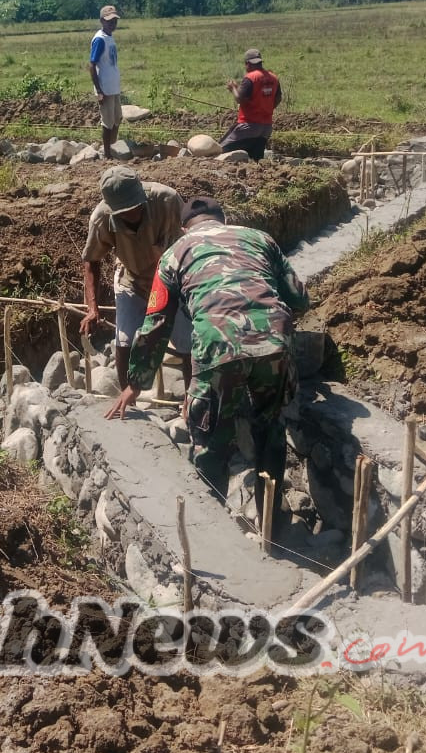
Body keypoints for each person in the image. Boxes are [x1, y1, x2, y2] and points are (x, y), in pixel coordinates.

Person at [105, 197, 309, 525]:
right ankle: (273, 529)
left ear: (185, 228)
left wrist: (135, 384)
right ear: (223, 218)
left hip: (217, 347)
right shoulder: (260, 238)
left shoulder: (175, 253)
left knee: (211, 441)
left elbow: (156, 323)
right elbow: (299, 296)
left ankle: (214, 532)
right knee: (270, 429)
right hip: (274, 341)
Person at [80, 165, 192, 391]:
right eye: (124, 211)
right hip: (133, 279)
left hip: (173, 280)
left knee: (189, 343)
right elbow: (91, 261)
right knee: (125, 341)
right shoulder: (101, 218)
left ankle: (193, 401)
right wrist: (93, 308)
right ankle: (127, 398)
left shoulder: (166, 200)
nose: (132, 214)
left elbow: (190, 238)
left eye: (135, 207)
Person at [221, 48, 282, 161]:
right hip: (266, 128)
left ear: (247, 64)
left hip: (248, 126)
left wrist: (233, 88)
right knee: (256, 160)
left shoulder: (251, 78)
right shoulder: (273, 78)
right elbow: (278, 98)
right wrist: (266, 107)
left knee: (220, 150)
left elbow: (239, 98)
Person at [89, 5, 123, 160]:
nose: (112, 23)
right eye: (109, 21)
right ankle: (107, 154)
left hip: (113, 86)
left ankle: (113, 146)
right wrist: (99, 91)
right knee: (107, 122)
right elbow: (92, 65)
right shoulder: (100, 39)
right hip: (105, 88)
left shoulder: (109, 36)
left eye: (114, 20)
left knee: (117, 118)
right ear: (102, 20)